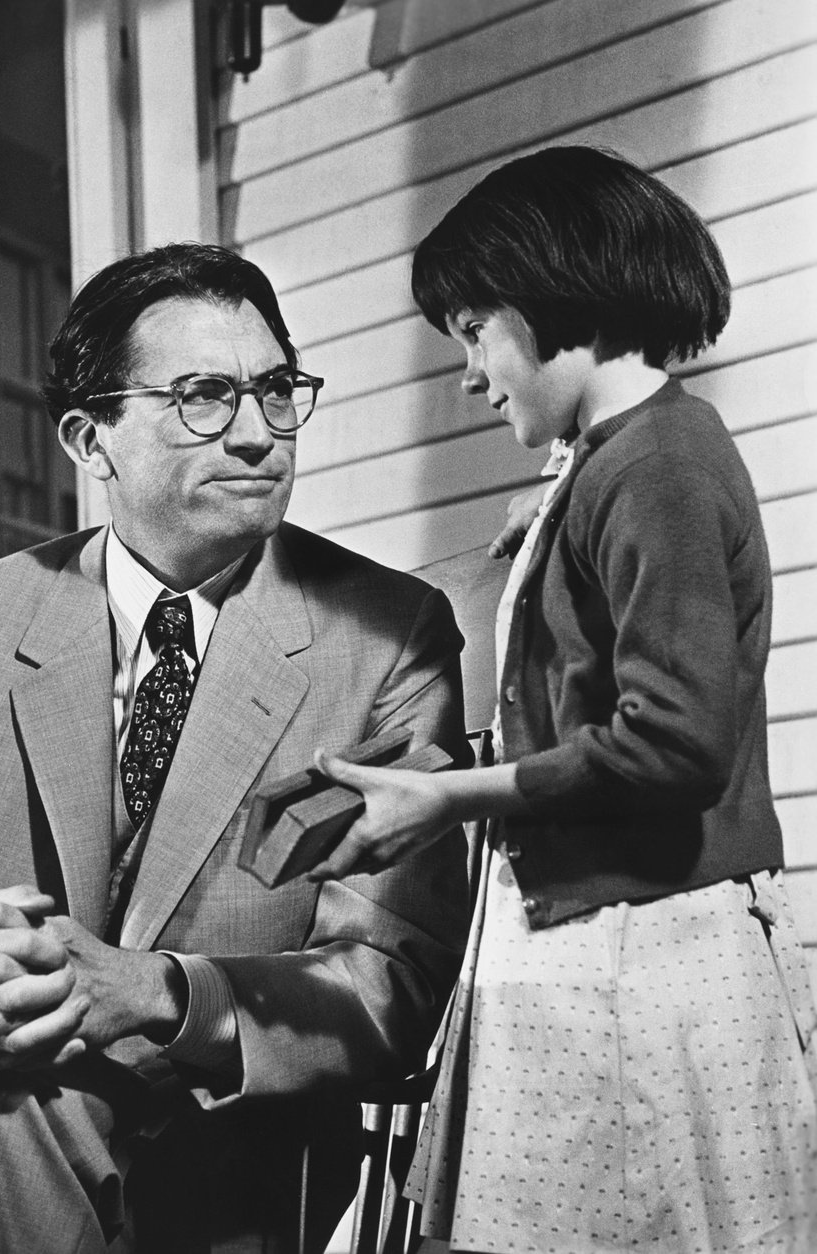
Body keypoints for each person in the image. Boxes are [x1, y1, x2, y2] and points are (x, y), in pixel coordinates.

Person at [0, 242, 473, 1254]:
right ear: (91, 439)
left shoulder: (383, 639)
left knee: (6, 1105)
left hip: (223, 1143)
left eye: (276, 391)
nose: (258, 435)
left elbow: (388, 980)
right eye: (205, 396)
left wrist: (150, 991)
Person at [312, 146, 817, 1252]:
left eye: (473, 331)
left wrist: (450, 801)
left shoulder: (659, 468)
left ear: (552, 302)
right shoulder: (617, 463)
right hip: (599, 952)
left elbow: (676, 742)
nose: (469, 373)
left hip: (647, 962)